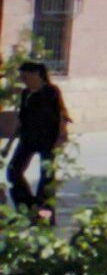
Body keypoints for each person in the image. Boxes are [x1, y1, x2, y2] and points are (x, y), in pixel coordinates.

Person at [8, 62, 67, 220]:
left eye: (25, 76)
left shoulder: (51, 92)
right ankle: (28, 207)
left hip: (48, 139)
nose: (23, 79)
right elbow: (21, 120)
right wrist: (8, 144)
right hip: (28, 138)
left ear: (37, 74)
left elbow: (62, 115)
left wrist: (61, 138)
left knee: (46, 178)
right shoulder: (26, 93)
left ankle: (44, 214)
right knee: (13, 171)